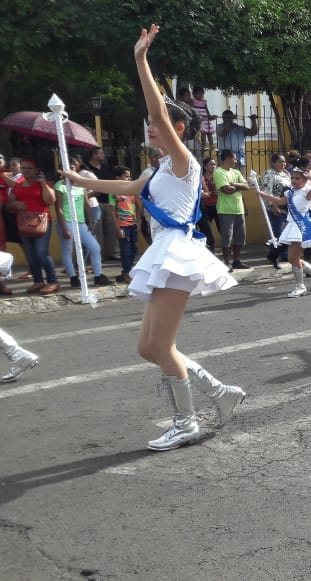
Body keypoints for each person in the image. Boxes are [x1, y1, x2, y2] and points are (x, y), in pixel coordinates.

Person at [60, 25, 244, 451]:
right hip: (164, 253)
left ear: (178, 127)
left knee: (159, 345)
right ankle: (219, 392)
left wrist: (141, 60)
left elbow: (160, 114)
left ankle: (187, 422)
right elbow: (126, 189)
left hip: (177, 255)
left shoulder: (185, 162)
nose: (151, 128)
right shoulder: (158, 169)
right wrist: (78, 179)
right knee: (149, 347)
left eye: (156, 124)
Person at [257, 166, 311, 297]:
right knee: (294, 258)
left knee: (292, 258)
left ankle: (301, 286)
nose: (294, 180)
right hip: (292, 225)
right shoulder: (290, 192)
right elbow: (280, 202)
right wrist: (264, 195)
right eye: (292, 178)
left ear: (303, 179)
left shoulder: (306, 191)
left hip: (302, 226)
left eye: (297, 178)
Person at [2, 158, 60, 294]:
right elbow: (10, 206)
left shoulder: (44, 183)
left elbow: (50, 201)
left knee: (41, 252)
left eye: (29, 168)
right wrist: (15, 205)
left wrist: (43, 184)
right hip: (24, 223)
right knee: (30, 254)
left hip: (41, 222)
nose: (26, 171)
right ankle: (38, 281)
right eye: (23, 168)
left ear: (37, 170)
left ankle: (53, 281)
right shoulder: (18, 185)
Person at [54, 169, 113, 288]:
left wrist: (91, 222)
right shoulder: (60, 185)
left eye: (74, 168)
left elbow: (87, 205)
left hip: (80, 222)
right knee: (68, 249)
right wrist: (64, 228)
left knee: (95, 247)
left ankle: (98, 276)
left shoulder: (81, 185)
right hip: (66, 221)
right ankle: (73, 277)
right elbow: (58, 208)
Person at [213, 149, 250, 270]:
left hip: (239, 209)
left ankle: (236, 260)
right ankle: (227, 261)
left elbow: (247, 187)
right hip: (225, 210)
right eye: (234, 158)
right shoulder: (219, 172)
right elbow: (226, 190)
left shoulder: (236, 172)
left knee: (240, 237)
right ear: (227, 159)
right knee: (227, 238)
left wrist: (234, 184)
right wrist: (238, 186)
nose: (236, 160)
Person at [83, 147, 119, 261]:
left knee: (110, 228)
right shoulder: (87, 170)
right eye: (101, 153)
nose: (103, 155)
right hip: (93, 203)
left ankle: (112, 252)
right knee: (97, 230)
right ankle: (99, 254)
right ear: (94, 155)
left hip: (107, 201)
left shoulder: (106, 168)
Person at [259, 153, 291, 266]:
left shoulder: (286, 174)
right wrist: (274, 206)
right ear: (273, 163)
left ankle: (279, 253)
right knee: (277, 232)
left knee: (285, 232)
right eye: (279, 162)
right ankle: (279, 254)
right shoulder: (269, 174)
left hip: (287, 208)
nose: (282, 164)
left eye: (284, 162)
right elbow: (267, 191)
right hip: (275, 208)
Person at [110, 166, 141, 284]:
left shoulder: (131, 191)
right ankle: (127, 272)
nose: (129, 179)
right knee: (125, 250)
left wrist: (139, 221)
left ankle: (125, 272)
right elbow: (112, 211)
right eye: (126, 176)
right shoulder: (114, 192)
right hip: (122, 225)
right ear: (118, 178)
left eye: (129, 176)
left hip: (132, 224)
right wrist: (118, 228)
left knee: (134, 249)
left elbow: (137, 207)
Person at [196, 157, 220, 253]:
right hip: (205, 206)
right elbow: (206, 193)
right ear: (205, 167)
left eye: (214, 164)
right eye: (211, 164)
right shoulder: (202, 178)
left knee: (223, 229)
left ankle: (228, 250)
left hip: (217, 205)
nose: (213, 166)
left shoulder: (218, 177)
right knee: (206, 231)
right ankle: (207, 250)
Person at [190, 87, 216, 158]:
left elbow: (207, 110)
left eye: (202, 94)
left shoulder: (204, 102)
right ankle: (204, 145)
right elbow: (191, 110)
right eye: (199, 93)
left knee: (209, 132)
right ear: (194, 94)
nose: (201, 95)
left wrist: (210, 117)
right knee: (203, 133)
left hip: (206, 118)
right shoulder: (193, 101)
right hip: (199, 119)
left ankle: (211, 145)